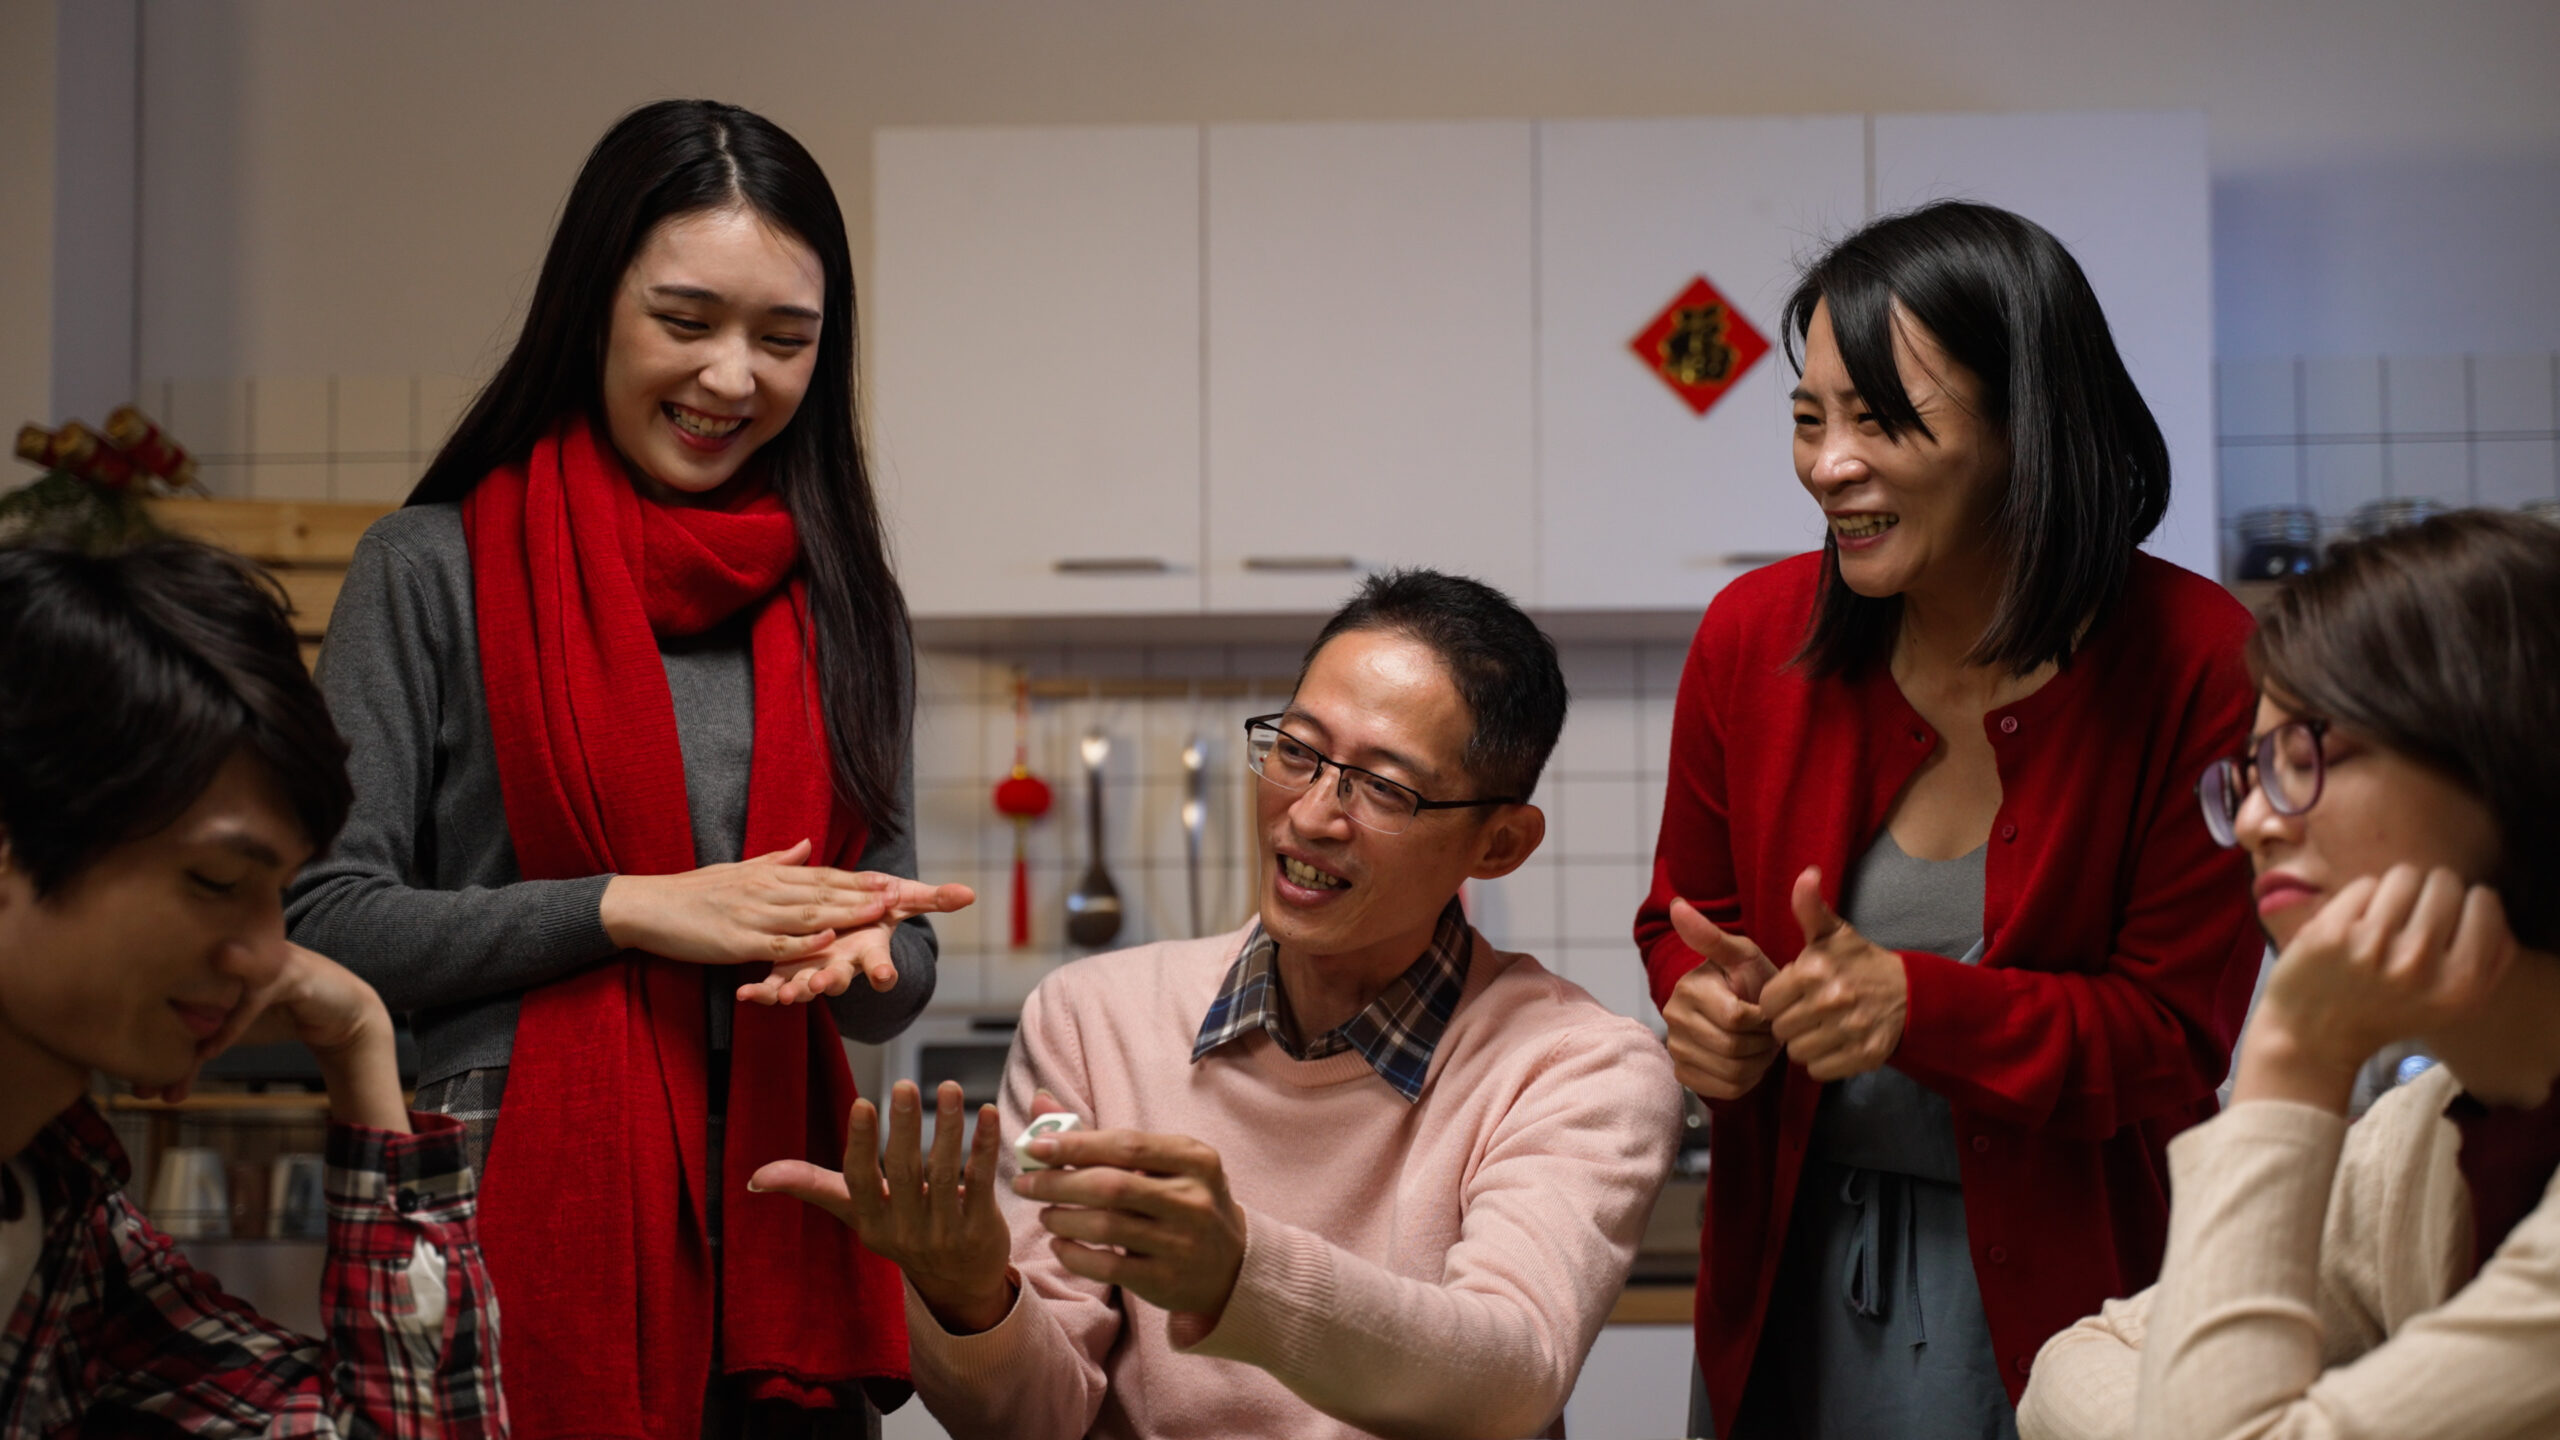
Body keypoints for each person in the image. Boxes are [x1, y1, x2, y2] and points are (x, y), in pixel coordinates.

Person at [284, 99, 970, 1438]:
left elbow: (895, 939)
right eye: (685, 320)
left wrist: (872, 954)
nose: (733, 377)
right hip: (507, 1214)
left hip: (785, 1236)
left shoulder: (848, 604)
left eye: (784, 340)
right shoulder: (428, 571)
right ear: (592, 304)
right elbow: (325, 922)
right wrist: (629, 907)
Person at [756, 569, 1685, 1440]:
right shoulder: (1092, 1020)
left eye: (1383, 787)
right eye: (1298, 752)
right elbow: (1037, 1417)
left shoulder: (1580, 1068)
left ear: (1500, 844)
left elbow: (1512, 1376)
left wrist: (1240, 1273)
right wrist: (969, 1298)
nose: (1310, 815)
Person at [1633, 201, 2266, 1439]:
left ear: (2028, 423)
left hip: (2077, 1303)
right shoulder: (1751, 638)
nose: (1829, 465)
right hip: (1783, 1276)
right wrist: (1701, 1008)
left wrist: (1919, 1010)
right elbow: (1681, 921)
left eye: (1881, 418)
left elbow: (2170, 1037)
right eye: (1808, 419)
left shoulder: (2199, 662)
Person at [2018, 510, 2560, 1440]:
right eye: (2250, 776)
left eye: (2308, 760)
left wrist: (2295, 1057)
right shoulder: (2425, 1136)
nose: (2257, 822)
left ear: (2511, 756)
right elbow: (2073, 1361)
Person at [0, 536, 502, 1432]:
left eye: (279, 894)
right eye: (217, 881)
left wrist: (360, 1039)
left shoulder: (65, 1218)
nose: (271, 957)